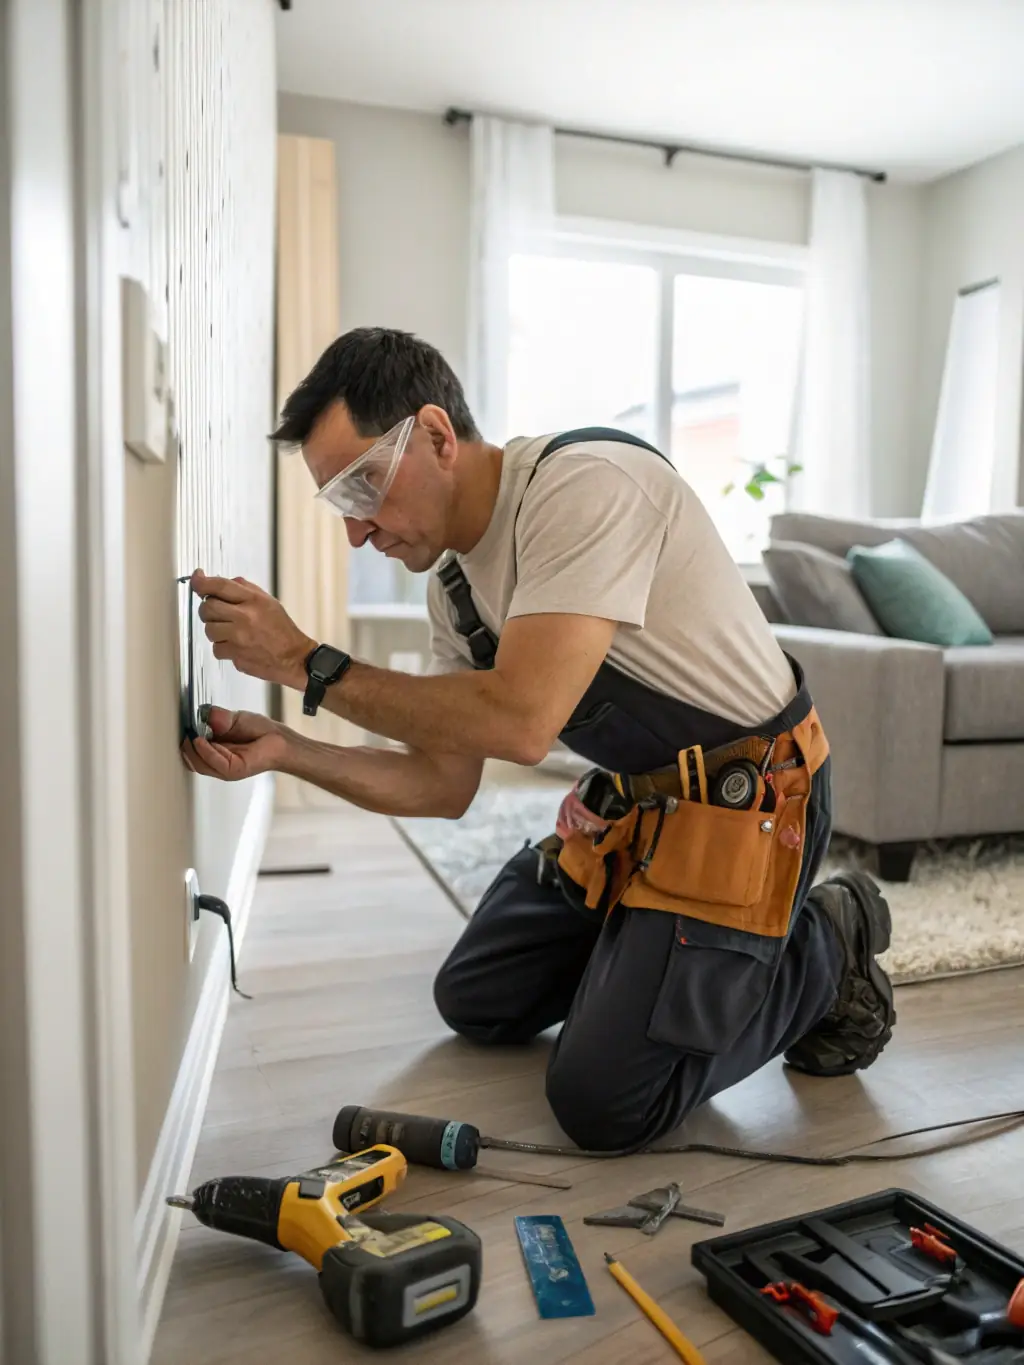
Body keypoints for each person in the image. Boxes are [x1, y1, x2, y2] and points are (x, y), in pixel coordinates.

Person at [182, 326, 896, 1153]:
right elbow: (443, 787)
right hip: (637, 808)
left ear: (439, 435)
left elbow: (521, 722)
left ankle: (826, 942)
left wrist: (307, 663)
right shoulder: (453, 586)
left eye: (365, 485)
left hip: (757, 804)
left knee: (605, 1103)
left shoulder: (582, 489)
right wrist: (285, 750)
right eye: (340, 502)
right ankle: (649, 955)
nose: (357, 530)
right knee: (477, 997)